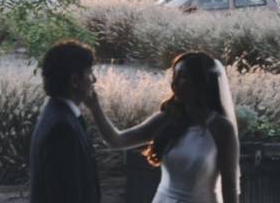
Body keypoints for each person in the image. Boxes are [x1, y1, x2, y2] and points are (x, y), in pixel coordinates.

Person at [86, 51, 239, 203]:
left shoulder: (222, 128)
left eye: (183, 76)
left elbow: (229, 186)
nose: (174, 83)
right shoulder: (167, 119)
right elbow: (117, 141)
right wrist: (95, 107)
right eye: (174, 76)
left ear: (201, 82)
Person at [29, 40, 100, 203]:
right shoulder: (62, 128)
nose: (94, 80)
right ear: (75, 80)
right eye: (90, 72)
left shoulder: (56, 115)